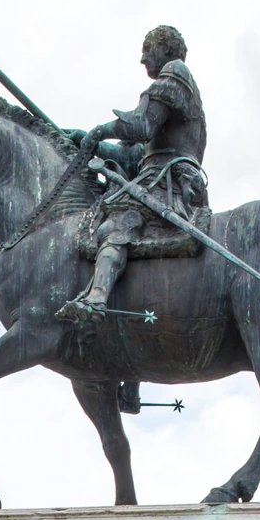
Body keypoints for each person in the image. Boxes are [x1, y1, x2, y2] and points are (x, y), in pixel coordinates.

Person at [58, 25, 207, 322]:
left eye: (147, 50)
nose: (142, 59)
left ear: (165, 49)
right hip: (158, 174)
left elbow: (141, 126)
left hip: (169, 182)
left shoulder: (175, 73)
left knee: (118, 224)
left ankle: (97, 298)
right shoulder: (177, 94)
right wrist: (90, 141)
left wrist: (102, 130)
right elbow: (135, 155)